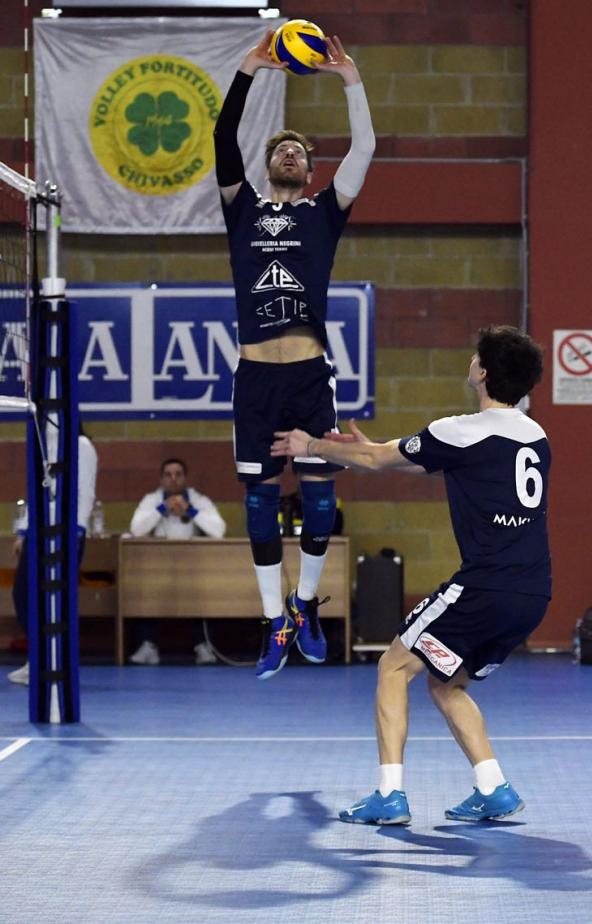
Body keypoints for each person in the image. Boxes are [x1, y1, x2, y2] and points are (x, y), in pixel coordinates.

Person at [271, 325, 550, 824]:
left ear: (482, 372)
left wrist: (310, 444)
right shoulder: (534, 436)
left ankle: (389, 795)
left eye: (474, 356)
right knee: (446, 684)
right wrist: (370, 451)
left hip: (482, 587)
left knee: (393, 668)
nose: (470, 360)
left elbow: (380, 460)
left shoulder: (461, 430)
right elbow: (413, 461)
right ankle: (493, 788)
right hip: (532, 593)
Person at [213, 29, 375, 679]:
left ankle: (305, 604)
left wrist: (350, 78)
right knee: (256, 501)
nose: (287, 154)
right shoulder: (241, 210)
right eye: (279, 147)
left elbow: (365, 147)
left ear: (308, 173)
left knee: (319, 496)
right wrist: (250, 70)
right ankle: (273, 623)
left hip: (310, 374)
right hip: (255, 376)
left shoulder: (323, 215)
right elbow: (223, 140)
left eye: (296, 153)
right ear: (267, 163)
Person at [7, 430, 98, 686]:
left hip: (65, 533)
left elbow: (85, 490)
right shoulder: (42, 447)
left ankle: (53, 660)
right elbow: (38, 491)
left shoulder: (80, 445)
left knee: (55, 597)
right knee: (23, 593)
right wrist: (24, 531)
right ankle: (38, 656)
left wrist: (77, 530)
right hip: (38, 532)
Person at [126, 457, 228, 666]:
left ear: (185, 478)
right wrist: (161, 509)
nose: (173, 479)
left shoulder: (199, 500)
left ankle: (203, 644)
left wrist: (191, 511)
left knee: (205, 591)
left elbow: (219, 531)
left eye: (178, 475)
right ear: (161, 479)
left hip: (193, 568)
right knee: (144, 589)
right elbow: (136, 529)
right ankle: (148, 644)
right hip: (158, 568)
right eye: (168, 475)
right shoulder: (151, 499)